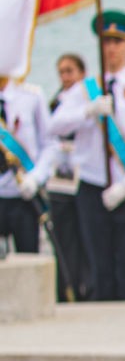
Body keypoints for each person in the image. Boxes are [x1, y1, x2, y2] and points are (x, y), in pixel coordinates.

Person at [45, 10, 125, 301]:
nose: (111, 48)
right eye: (106, 41)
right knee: (100, 268)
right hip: (92, 185)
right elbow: (53, 126)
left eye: (117, 41)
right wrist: (87, 111)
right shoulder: (85, 90)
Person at [45, 54, 88, 300]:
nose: (65, 77)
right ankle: (66, 289)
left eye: (70, 71)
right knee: (64, 238)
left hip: (84, 177)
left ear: (82, 73)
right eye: (61, 72)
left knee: (86, 238)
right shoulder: (56, 103)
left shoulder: (88, 101)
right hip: (60, 180)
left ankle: (86, 288)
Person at [0, 75, 54, 255]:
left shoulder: (31, 96)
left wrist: (35, 178)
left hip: (24, 193)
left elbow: (50, 144)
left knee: (28, 258)